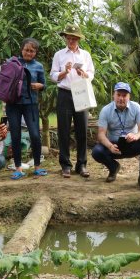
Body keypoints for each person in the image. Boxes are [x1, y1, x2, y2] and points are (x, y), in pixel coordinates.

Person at [50, 23, 95, 178]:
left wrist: (83, 73)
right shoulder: (59, 55)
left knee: (82, 129)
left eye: (74, 38)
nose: (71, 41)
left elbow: (91, 74)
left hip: (81, 91)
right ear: (65, 38)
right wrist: (65, 72)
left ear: (78, 39)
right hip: (64, 93)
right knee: (63, 129)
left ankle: (81, 164)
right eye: (68, 38)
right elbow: (53, 76)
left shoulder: (85, 55)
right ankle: (65, 165)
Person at [92, 82, 140, 192]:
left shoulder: (136, 107)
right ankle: (113, 167)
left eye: (124, 95)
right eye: (118, 95)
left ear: (129, 96)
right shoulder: (106, 110)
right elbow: (101, 134)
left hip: (132, 144)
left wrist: (136, 135)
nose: (121, 98)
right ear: (113, 95)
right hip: (114, 146)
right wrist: (110, 146)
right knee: (97, 151)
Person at [6, 38, 48, 179]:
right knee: (16, 135)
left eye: (32, 51)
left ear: (35, 52)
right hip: (13, 104)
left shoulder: (38, 66)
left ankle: (37, 166)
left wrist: (39, 86)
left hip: (31, 104)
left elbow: (44, 84)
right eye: (26, 50)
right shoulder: (12, 63)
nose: (29, 53)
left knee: (35, 135)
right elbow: (1, 77)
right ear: (21, 49)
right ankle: (18, 168)